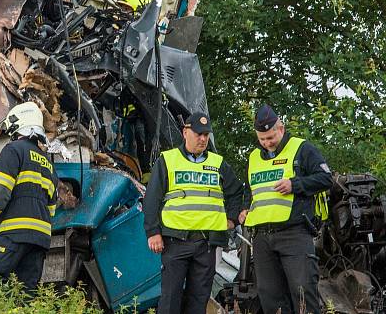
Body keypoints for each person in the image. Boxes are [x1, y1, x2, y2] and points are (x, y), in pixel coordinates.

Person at [142, 112, 243, 314]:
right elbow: (152, 198)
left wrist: (231, 219)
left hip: (207, 244)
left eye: (206, 134)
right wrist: (153, 232)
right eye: (199, 134)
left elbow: (236, 191)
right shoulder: (168, 160)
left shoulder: (217, 163)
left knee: (199, 300)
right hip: (175, 242)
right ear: (185, 132)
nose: (203, 139)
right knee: (170, 298)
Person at [238, 104, 332, 314]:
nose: (267, 143)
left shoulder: (302, 148)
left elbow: (326, 178)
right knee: (270, 295)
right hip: (261, 237)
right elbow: (250, 189)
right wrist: (245, 208)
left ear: (281, 128)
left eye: (270, 137)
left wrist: (295, 184)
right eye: (262, 139)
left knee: (302, 292)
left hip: (294, 233)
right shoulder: (254, 157)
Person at [0, 102, 58, 295]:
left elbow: (0, 191)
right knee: (26, 293)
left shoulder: (13, 150)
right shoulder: (48, 163)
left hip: (14, 233)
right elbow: (52, 208)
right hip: (40, 239)